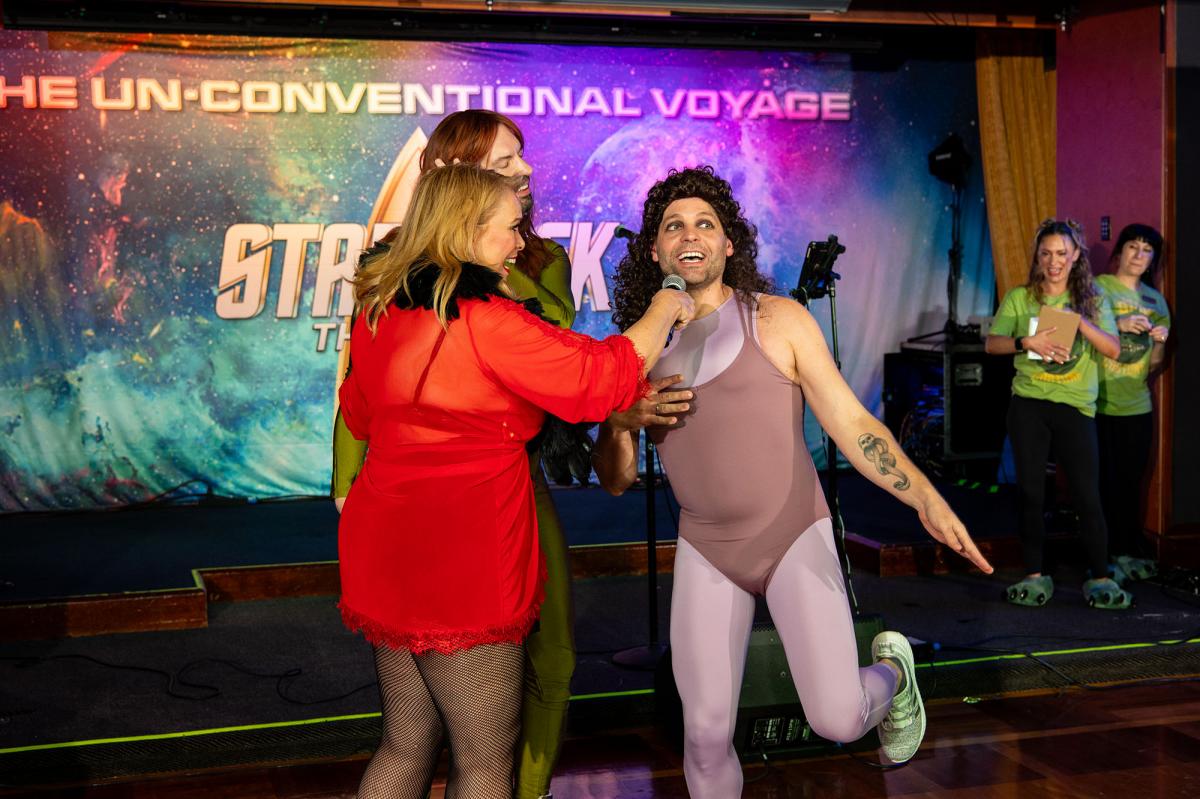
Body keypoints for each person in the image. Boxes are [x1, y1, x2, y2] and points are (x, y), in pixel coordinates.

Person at [593, 166, 993, 797]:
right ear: (653, 250)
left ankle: (894, 675)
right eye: (674, 226)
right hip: (706, 549)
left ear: (729, 244)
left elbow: (853, 424)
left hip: (792, 535)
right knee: (703, 734)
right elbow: (615, 481)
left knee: (837, 719)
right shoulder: (637, 350)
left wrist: (925, 498)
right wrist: (619, 424)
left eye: (705, 223)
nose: (689, 235)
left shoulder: (776, 320)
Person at [338, 163, 693, 798]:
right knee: (483, 764)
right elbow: (601, 377)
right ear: (467, 232)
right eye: (509, 227)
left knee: (405, 743)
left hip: (386, 547)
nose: (520, 242)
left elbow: (360, 416)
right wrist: (667, 301)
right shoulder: (488, 321)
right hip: (462, 557)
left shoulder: (381, 312)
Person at [332, 110, 577, 799]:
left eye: (521, 157)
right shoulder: (393, 271)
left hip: (506, 477)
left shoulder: (538, 258)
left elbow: (557, 350)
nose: (525, 171)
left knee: (542, 660)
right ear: (454, 182)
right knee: (472, 754)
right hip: (448, 508)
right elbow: (359, 394)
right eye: (503, 164)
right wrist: (346, 481)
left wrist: (495, 261)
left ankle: (533, 788)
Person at [985, 219, 1125, 608]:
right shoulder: (1021, 297)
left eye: (1062, 253)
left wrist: (1079, 321)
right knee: (1031, 492)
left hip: (1076, 406)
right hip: (1029, 404)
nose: (1053, 261)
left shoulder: (1092, 298)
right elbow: (992, 344)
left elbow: (1113, 349)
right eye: (1046, 253)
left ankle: (1100, 576)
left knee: (1086, 494)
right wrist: (1025, 341)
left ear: (1076, 255)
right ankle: (1034, 573)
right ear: (1038, 256)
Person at [1096, 223, 1171, 584]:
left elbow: (1155, 364)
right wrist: (1119, 323)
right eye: (1133, 247)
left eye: (1147, 250)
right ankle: (1101, 556)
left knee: (1129, 482)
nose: (1139, 255)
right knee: (1101, 482)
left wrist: (1159, 341)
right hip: (1097, 400)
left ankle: (1124, 551)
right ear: (1120, 251)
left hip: (1137, 403)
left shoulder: (1156, 301)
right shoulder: (1099, 288)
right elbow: (1077, 333)